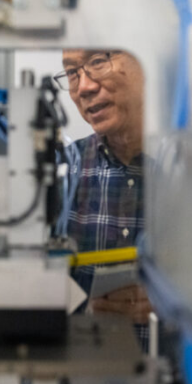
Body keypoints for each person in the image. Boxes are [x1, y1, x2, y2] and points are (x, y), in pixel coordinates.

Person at [54, 49, 153, 349]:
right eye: (72, 73)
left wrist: (171, 304)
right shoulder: (60, 170)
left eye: (98, 62)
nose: (83, 87)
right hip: (81, 377)